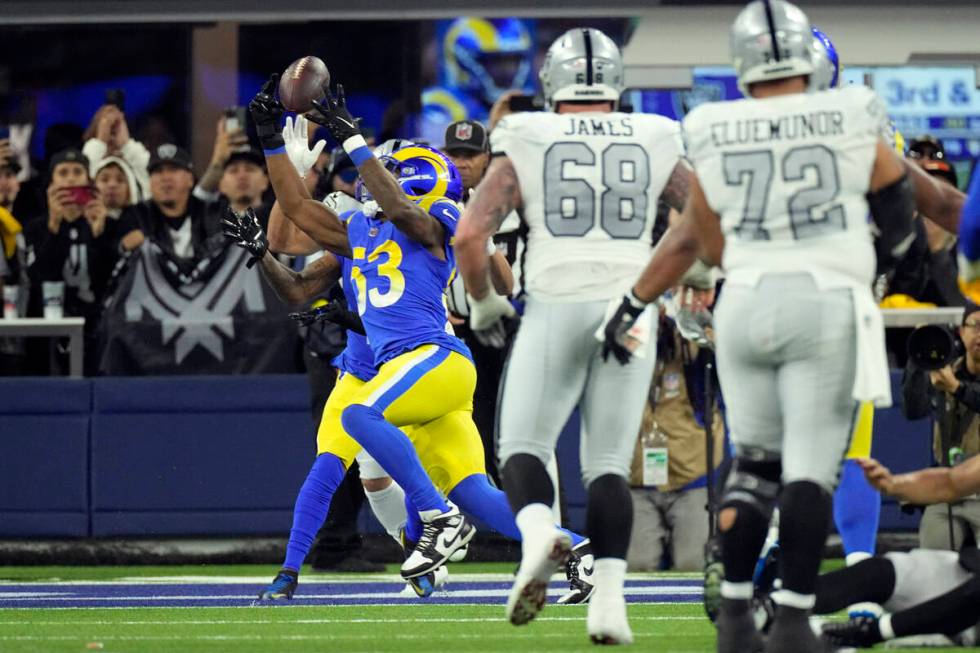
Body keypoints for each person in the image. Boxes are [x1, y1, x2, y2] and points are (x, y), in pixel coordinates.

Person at [601, 2, 924, 650]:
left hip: (744, 299)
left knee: (752, 467)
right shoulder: (850, 109)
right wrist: (879, 266)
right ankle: (795, 617)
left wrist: (633, 305)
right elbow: (897, 203)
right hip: (825, 296)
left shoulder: (712, 122)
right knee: (808, 472)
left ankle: (738, 613)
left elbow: (702, 240)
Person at [247, 75, 591, 587]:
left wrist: (354, 140)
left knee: (360, 416)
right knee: (477, 490)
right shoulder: (362, 230)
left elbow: (408, 214)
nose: (372, 178)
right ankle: (575, 552)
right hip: (423, 373)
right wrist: (269, 138)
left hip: (431, 357)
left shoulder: (437, 218)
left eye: (387, 171)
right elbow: (297, 213)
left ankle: (437, 519)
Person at [455, 27, 690, 643]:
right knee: (609, 464)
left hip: (557, 300)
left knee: (523, 447)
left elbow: (470, 236)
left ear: (551, 82)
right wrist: (688, 283)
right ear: (616, 82)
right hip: (631, 307)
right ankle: (609, 606)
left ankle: (539, 535)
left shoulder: (527, 134)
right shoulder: (655, 134)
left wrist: (482, 306)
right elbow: (700, 222)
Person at [627, 278, 725, 573]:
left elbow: (720, 352)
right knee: (637, 566)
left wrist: (683, 323)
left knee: (693, 565)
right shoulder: (625, 335)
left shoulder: (697, 333)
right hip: (637, 477)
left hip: (691, 477)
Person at [442, 118, 515, 482]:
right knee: (455, 429)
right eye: (454, 153)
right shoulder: (426, 198)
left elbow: (511, 280)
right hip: (448, 329)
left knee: (510, 424)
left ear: (487, 157)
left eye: (470, 154)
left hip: (502, 325)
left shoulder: (512, 200)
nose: (463, 162)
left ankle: (526, 520)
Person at [23, 148, 140, 374]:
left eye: (77, 171)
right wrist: (54, 230)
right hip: (48, 334)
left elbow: (110, 283)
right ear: (52, 182)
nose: (70, 178)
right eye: (63, 172)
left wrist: (99, 235)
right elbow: (38, 280)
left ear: (88, 181)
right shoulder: (36, 228)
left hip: (97, 331)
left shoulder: (109, 225)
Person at [901, 304, 980, 550]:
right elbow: (914, 411)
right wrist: (918, 357)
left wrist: (956, 388)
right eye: (975, 325)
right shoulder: (946, 370)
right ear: (961, 332)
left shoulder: (951, 380)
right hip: (949, 491)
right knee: (934, 559)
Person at [82, 104, 151, 202]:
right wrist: (100, 142)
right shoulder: (89, 162)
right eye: (107, 134)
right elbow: (82, 180)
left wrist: (126, 145)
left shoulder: (139, 173)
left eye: (116, 133)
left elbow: (152, 177)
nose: (112, 140)